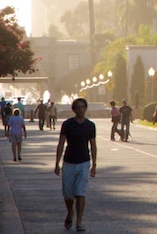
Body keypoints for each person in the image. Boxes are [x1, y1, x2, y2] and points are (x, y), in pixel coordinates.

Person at [55, 97, 97, 232]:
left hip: (84, 162)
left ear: (85, 108)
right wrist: (57, 162)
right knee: (68, 194)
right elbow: (61, 143)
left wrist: (94, 164)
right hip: (69, 162)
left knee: (80, 193)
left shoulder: (90, 125)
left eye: (82, 107)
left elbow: (93, 145)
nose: (80, 110)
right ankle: (70, 212)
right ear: (74, 109)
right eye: (77, 107)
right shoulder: (67, 125)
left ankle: (79, 222)